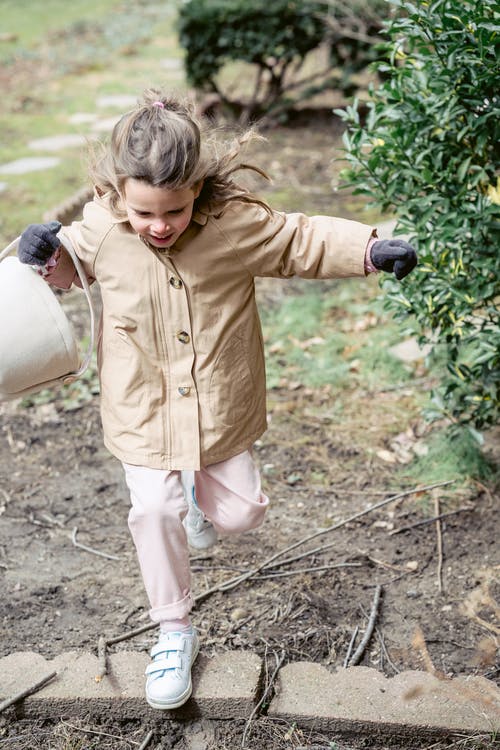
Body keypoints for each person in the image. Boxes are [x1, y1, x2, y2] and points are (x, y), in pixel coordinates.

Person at [17, 88, 417, 710]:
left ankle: (199, 505)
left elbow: (298, 241)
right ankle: (173, 630)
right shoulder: (100, 229)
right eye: (144, 211)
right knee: (152, 510)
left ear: (196, 190)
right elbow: (66, 274)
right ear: (119, 192)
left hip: (218, 405)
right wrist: (41, 257)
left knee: (241, 514)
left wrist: (367, 248)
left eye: (173, 211)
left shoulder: (233, 225)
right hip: (141, 404)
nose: (159, 225)